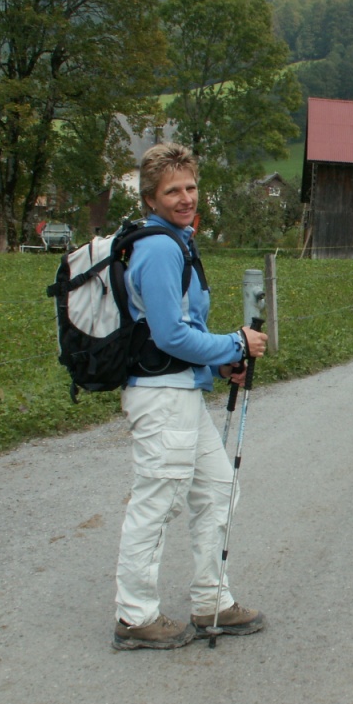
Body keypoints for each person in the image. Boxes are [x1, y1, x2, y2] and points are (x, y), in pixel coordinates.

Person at [112, 142, 270, 651]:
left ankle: (211, 602)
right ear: (151, 198)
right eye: (171, 190)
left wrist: (217, 362)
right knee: (156, 505)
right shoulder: (159, 248)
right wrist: (236, 343)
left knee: (218, 489)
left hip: (181, 392)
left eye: (190, 186)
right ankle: (135, 618)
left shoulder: (176, 240)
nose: (184, 197)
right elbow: (168, 335)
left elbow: (179, 332)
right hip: (161, 399)